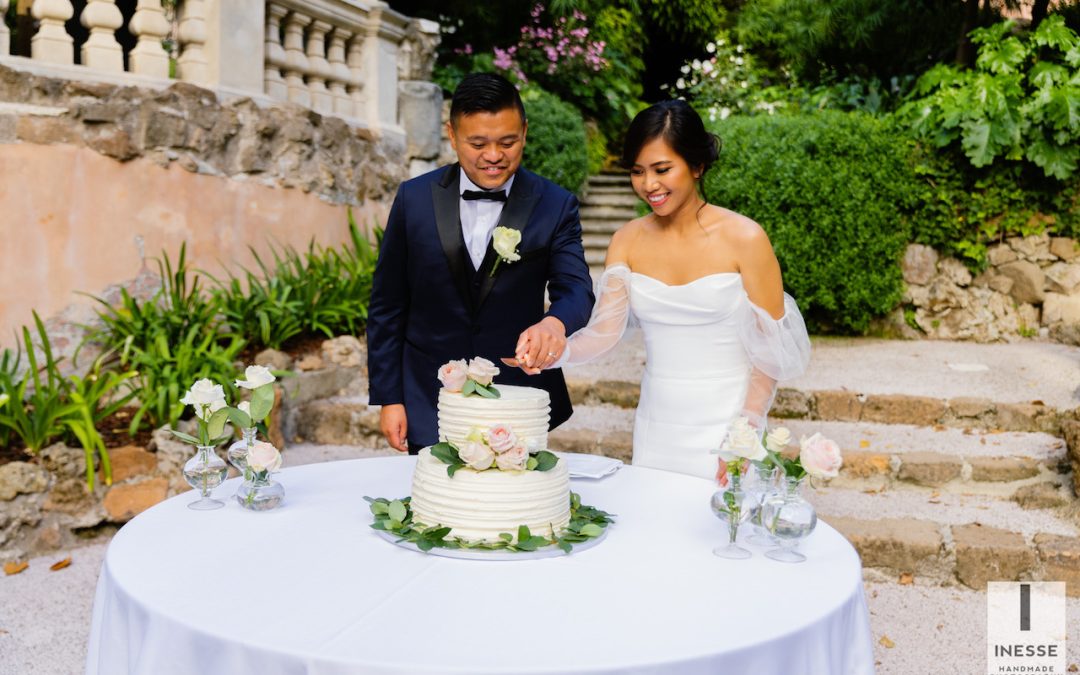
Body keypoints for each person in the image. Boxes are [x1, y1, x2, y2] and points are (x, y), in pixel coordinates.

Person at [525, 99, 811, 480]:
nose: (649, 185)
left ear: (696, 165)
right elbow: (604, 334)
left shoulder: (746, 237)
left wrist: (746, 430)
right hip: (658, 425)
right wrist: (555, 353)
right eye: (638, 171)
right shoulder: (626, 240)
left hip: (729, 423)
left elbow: (770, 349)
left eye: (662, 169)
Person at [367, 73, 595, 454]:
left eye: (507, 142)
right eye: (477, 143)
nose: (493, 156)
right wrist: (390, 397)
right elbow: (387, 305)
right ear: (452, 136)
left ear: (524, 131)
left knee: (509, 509)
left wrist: (554, 323)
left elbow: (576, 289)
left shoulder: (555, 204)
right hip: (428, 393)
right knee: (436, 505)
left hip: (517, 393)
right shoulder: (413, 199)